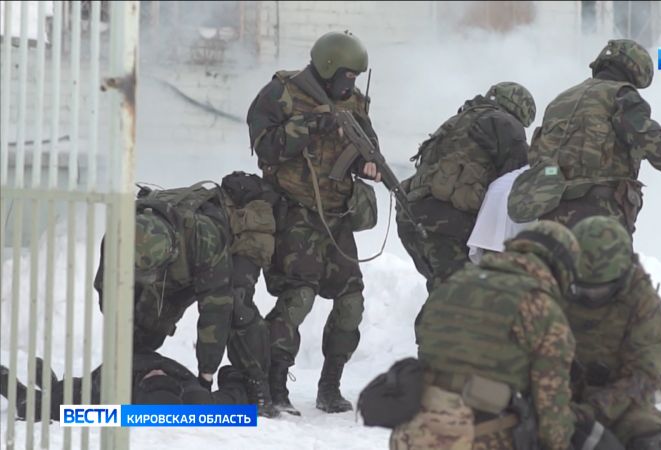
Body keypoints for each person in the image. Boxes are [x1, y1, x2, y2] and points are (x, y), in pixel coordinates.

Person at [392, 221, 622, 450]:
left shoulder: (454, 285)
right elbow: (551, 408)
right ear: (561, 266)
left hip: (409, 433)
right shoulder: (541, 307)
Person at [246, 30, 380, 415]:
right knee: (298, 296)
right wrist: (310, 127)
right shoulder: (282, 93)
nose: (351, 84)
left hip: (335, 214)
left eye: (356, 78)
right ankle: (274, 385)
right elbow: (264, 146)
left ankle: (330, 386)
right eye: (347, 76)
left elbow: (366, 146)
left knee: (351, 299)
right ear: (328, 68)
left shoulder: (354, 104)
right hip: (294, 210)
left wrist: (367, 165)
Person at [95, 179, 279, 417]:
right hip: (177, 268)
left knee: (237, 306)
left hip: (232, 242)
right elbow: (108, 292)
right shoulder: (119, 239)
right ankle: (139, 373)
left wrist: (205, 377)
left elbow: (215, 312)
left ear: (170, 252)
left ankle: (258, 386)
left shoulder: (205, 238)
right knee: (143, 325)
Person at [508, 39, 661, 234]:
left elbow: (537, 153)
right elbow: (646, 135)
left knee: (557, 263)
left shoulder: (561, 99)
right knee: (603, 264)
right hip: (599, 209)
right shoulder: (622, 95)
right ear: (635, 69)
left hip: (552, 208)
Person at [398, 82, 534, 292]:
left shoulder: (456, 121)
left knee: (444, 292)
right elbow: (522, 182)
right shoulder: (506, 126)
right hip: (448, 228)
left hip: (411, 220)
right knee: (452, 303)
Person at [566, 216, 661, 450]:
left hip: (618, 402)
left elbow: (644, 375)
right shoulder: (558, 284)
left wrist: (592, 411)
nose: (590, 298)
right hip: (557, 394)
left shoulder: (644, 305)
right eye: (583, 289)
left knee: (647, 433)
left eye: (600, 290)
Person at [0, 352, 249, 422]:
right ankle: (53, 385)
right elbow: (236, 396)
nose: (156, 372)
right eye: (157, 376)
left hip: (116, 374)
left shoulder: (112, 403)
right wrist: (231, 375)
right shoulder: (199, 404)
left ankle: (50, 385)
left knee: (59, 399)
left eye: (154, 377)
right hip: (126, 365)